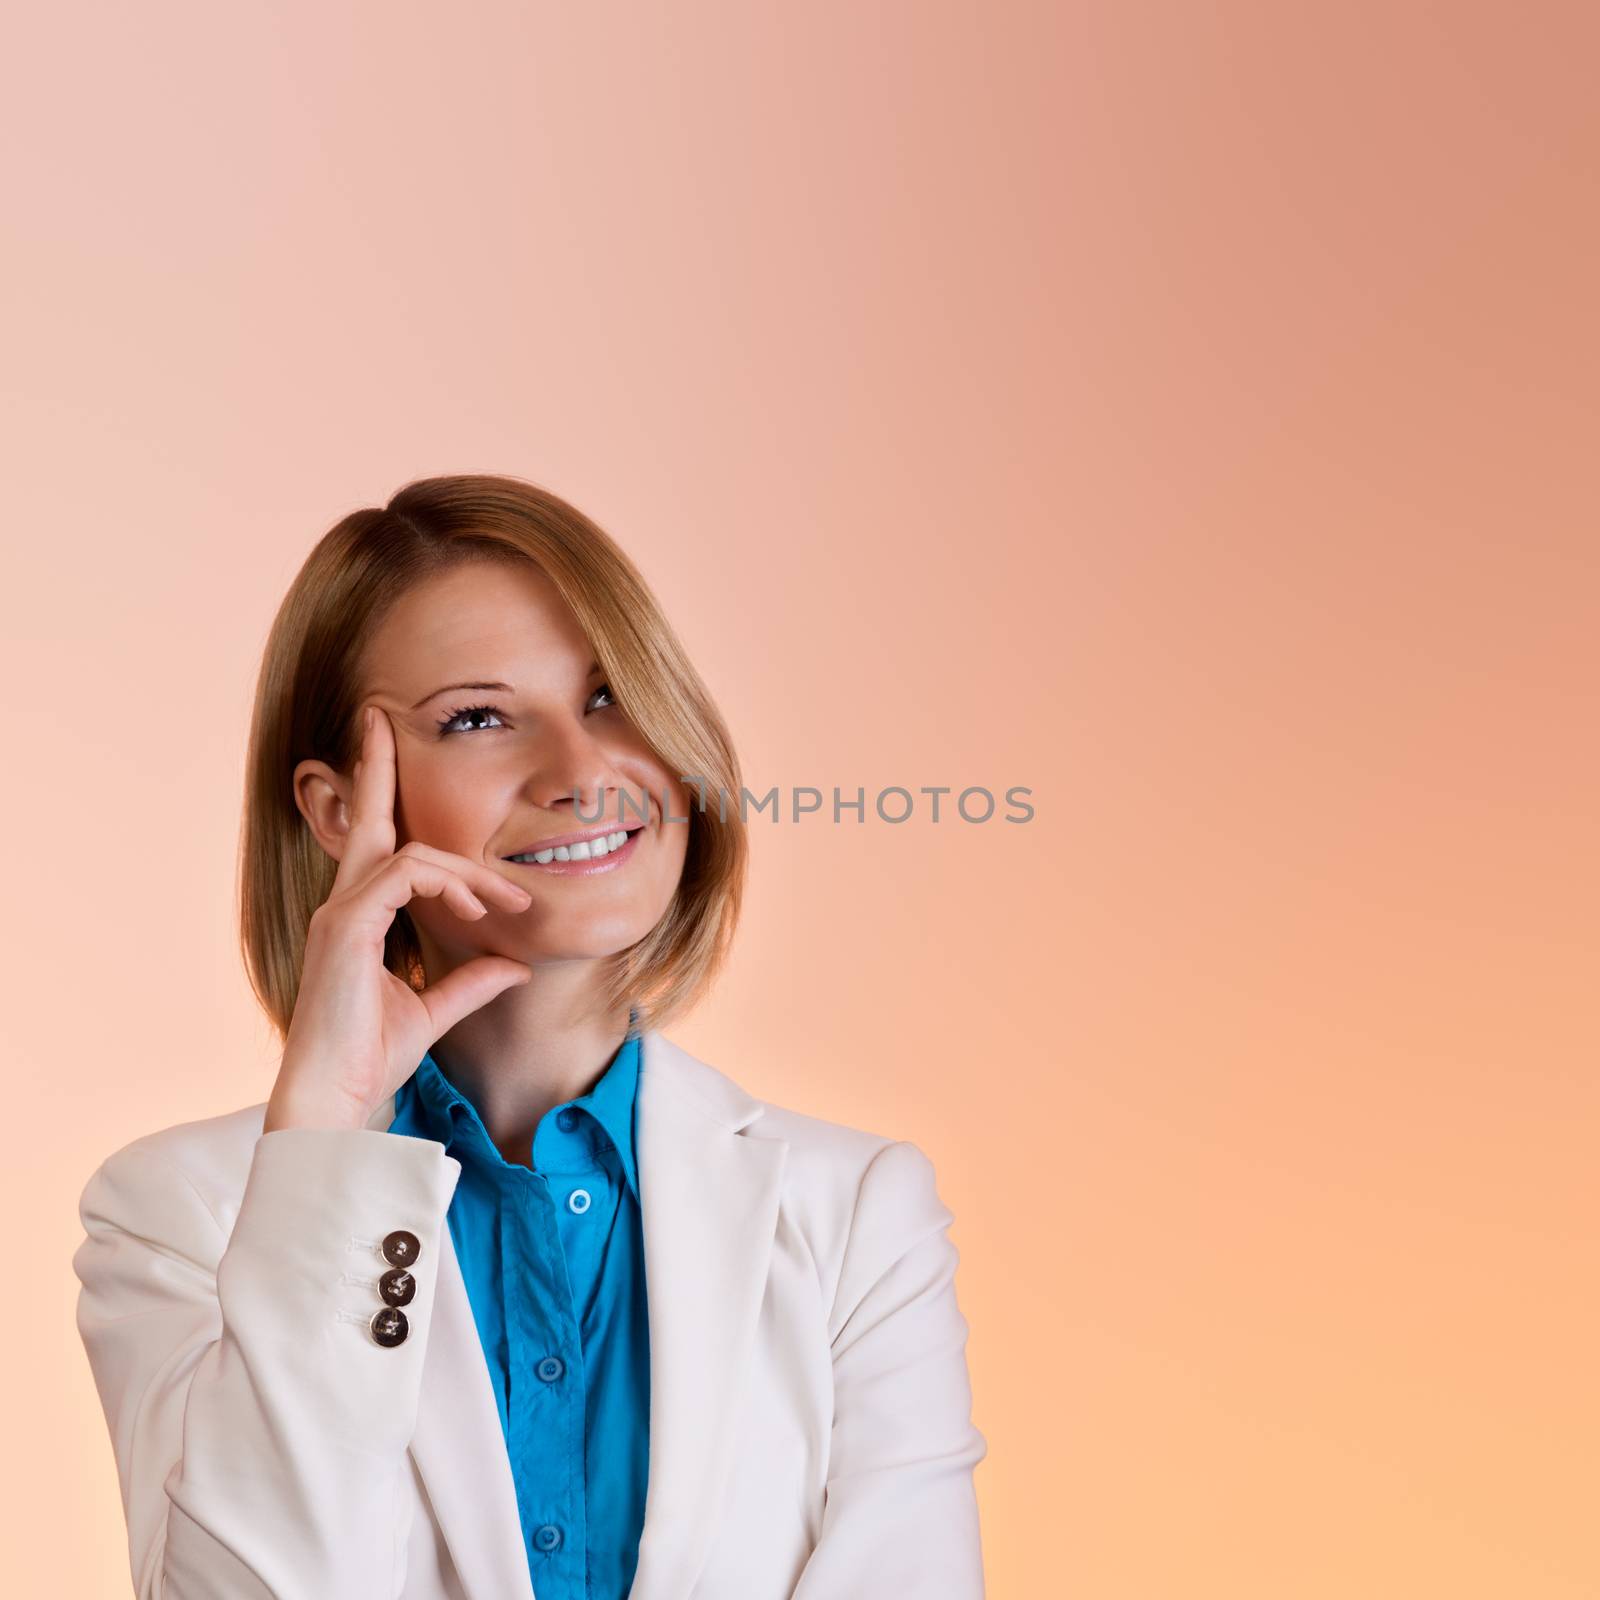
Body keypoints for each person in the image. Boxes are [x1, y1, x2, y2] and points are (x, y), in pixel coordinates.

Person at [72, 472, 987, 1599]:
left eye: (608, 696)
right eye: (478, 717)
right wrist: (323, 1141)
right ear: (335, 810)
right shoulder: (181, 1215)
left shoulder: (858, 1218)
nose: (582, 771)